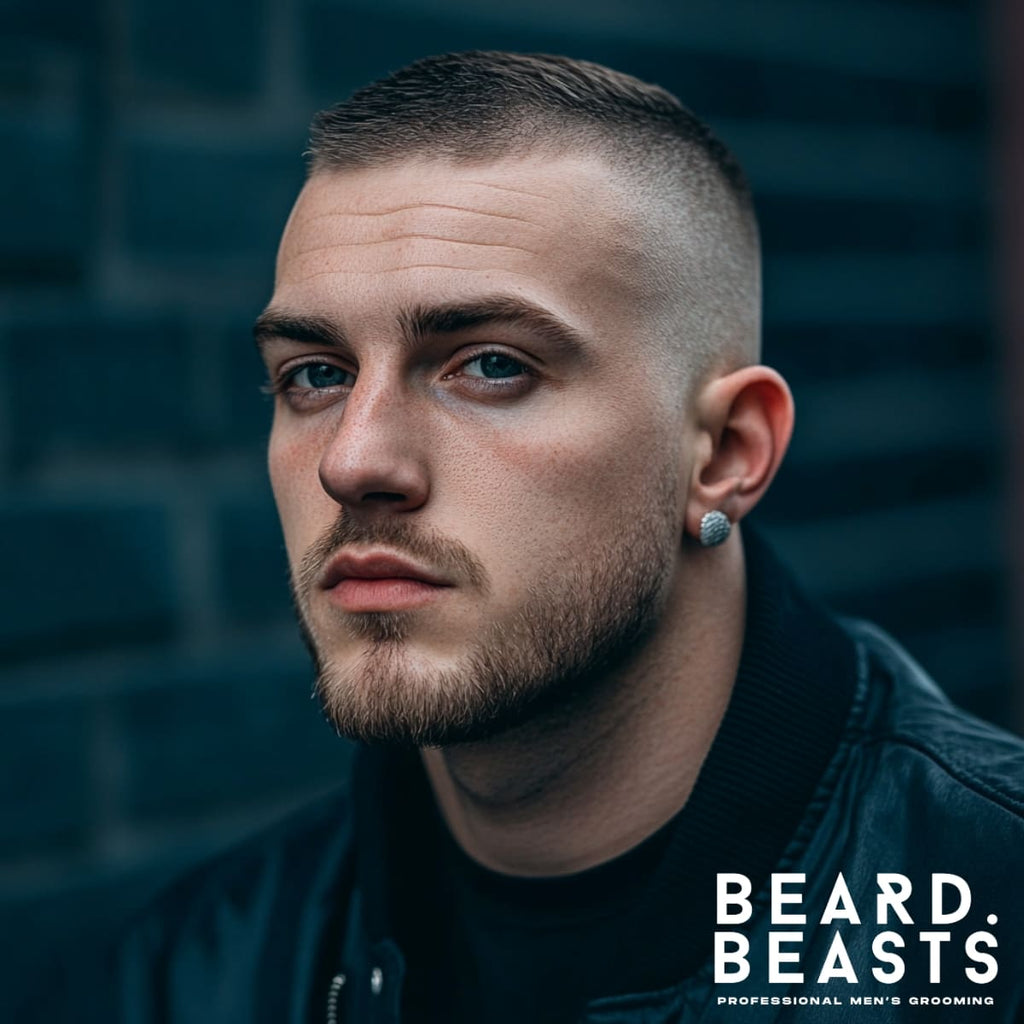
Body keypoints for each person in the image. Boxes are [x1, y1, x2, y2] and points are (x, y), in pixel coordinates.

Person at [60, 51, 1024, 1022]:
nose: (351, 463)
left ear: (725, 454)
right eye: (315, 373)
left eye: (488, 364)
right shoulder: (194, 974)